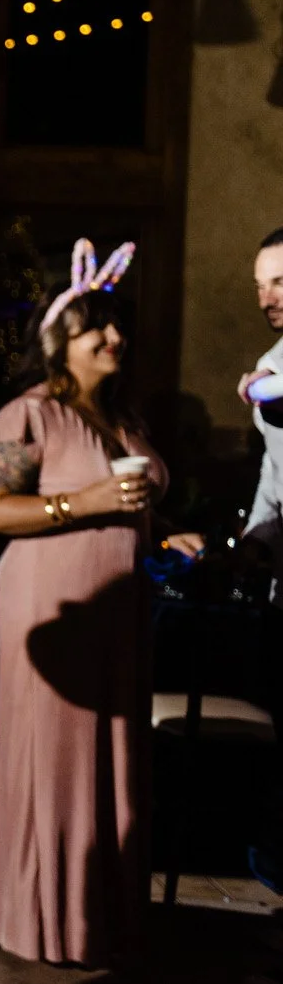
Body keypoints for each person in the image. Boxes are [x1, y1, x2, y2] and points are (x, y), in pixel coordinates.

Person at [0, 239, 203, 970]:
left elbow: (128, 508)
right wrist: (87, 499)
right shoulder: (27, 413)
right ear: (58, 341)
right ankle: (38, 917)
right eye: (95, 327)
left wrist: (168, 533)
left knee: (111, 754)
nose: (115, 338)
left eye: (118, 327)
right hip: (50, 606)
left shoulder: (123, 418)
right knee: (57, 754)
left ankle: (100, 916)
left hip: (120, 608)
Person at [236, 225, 283, 892]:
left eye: (278, 280)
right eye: (260, 285)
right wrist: (255, 539)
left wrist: (259, 390)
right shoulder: (274, 356)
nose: (267, 295)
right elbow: (277, 474)